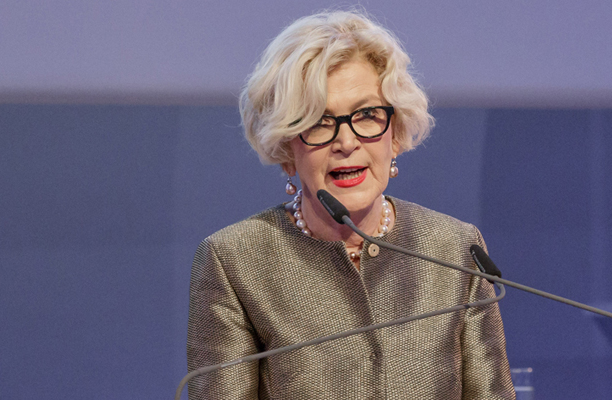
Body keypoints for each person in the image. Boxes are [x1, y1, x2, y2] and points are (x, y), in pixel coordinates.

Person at [186, 10, 514, 399]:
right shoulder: (235, 261)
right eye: (320, 122)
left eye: (368, 115)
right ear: (287, 149)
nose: (346, 142)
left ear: (394, 135)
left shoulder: (454, 248)